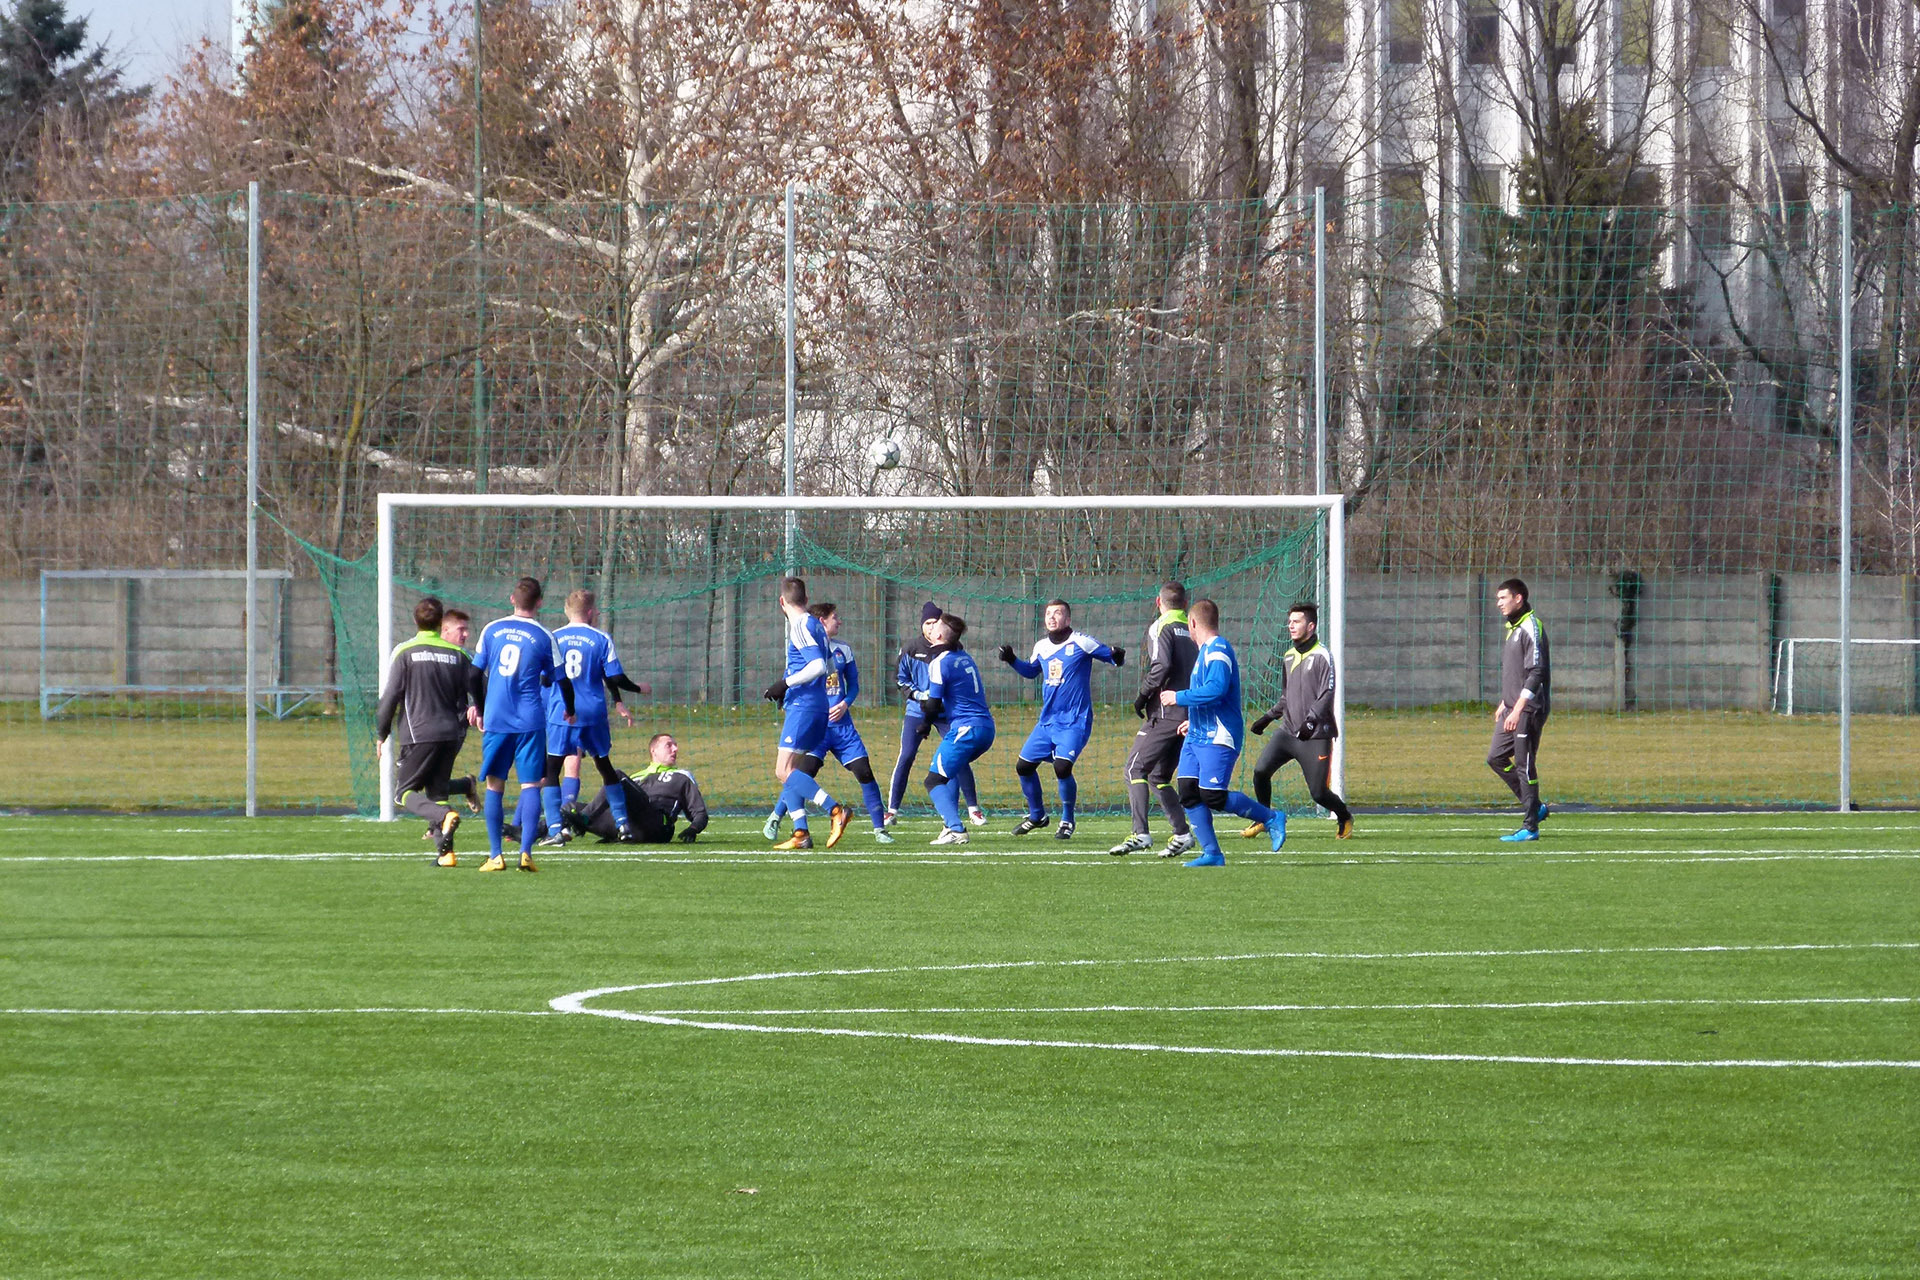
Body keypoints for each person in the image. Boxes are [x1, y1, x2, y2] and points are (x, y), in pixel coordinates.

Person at [1159, 598, 1286, 867]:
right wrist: (1193, 721)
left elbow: (1216, 690)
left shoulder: (1218, 649)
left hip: (1218, 734)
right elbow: (1207, 696)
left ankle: (1271, 817)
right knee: (1188, 792)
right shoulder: (1204, 652)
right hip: (1198, 734)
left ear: (1193, 623)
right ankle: (1212, 854)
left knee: (1213, 795)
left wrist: (1177, 697)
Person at [471, 576, 574, 872]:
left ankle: (495, 855)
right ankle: (526, 854)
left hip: (497, 719)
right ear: (539, 603)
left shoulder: (492, 629)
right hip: (530, 720)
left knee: (495, 785)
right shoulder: (544, 636)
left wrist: (480, 708)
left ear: (512, 599)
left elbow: (473, 675)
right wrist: (570, 709)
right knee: (531, 785)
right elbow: (561, 679)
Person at [998, 599, 1123, 839]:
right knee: (1023, 766)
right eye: (1048, 614)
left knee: (1062, 767)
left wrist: (1118, 655)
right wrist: (1012, 659)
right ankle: (1037, 816)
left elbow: (1113, 658)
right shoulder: (1041, 646)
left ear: (1068, 619)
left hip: (1075, 720)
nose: (1052, 617)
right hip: (1048, 722)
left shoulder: (1081, 642)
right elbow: (1031, 671)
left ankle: (1067, 820)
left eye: (1057, 613)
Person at [536, 589, 651, 847]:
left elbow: (545, 679)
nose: (598, 613)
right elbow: (615, 676)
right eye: (596, 610)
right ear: (589, 612)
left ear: (567, 611)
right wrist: (637, 689)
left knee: (552, 769)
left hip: (562, 712)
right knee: (605, 766)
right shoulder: (601, 638)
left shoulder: (553, 637)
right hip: (593, 713)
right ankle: (623, 825)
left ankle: (556, 829)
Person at [374, 596, 479, 866]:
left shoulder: (405, 652)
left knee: (403, 793)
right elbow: (480, 686)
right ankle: (446, 854)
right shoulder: (458, 655)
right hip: (451, 734)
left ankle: (443, 817)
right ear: (440, 622)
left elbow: (391, 697)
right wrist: (479, 708)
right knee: (438, 792)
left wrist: (381, 733)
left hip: (418, 734)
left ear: (415, 620)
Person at [1241, 601, 1354, 840]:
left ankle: (1344, 816)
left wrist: (1311, 722)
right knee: (1260, 771)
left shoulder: (1322, 655)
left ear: (1311, 626)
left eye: (1296, 621)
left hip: (1315, 735)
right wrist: (1267, 718)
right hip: (1288, 732)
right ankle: (1264, 818)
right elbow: (1286, 696)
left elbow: (1327, 694)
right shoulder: (1289, 656)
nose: (1290, 626)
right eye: (1290, 621)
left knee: (1318, 793)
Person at [761, 576, 852, 851]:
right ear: (807, 599)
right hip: (816, 704)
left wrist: (785, 684)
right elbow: (826, 666)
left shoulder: (800, 624)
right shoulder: (816, 625)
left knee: (783, 770)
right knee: (792, 772)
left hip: (806, 706)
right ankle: (800, 832)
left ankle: (835, 810)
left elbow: (817, 667)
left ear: (782, 601)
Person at [1109, 581, 1198, 858]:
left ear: (1159, 602)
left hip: (1166, 713)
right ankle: (1182, 834)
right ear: (1185, 604)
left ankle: (1140, 833)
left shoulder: (1161, 626)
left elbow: (1162, 665)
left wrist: (1143, 695)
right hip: (1189, 714)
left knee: (1134, 769)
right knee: (1159, 777)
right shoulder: (1193, 628)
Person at [795, 601, 892, 843]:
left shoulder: (843, 650)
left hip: (843, 728)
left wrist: (845, 703)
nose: (839, 621)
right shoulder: (805, 650)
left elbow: (854, 685)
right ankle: (780, 818)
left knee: (865, 772)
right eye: (835, 617)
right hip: (816, 727)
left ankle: (880, 830)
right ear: (822, 621)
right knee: (800, 774)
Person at [887, 601, 986, 828]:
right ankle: (892, 809)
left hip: (945, 714)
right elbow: (900, 679)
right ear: (922, 626)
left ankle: (971, 809)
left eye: (935, 623)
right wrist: (919, 696)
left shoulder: (952, 650)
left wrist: (935, 701)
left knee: (956, 758)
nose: (932, 628)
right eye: (928, 623)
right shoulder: (911, 648)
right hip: (917, 711)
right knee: (906, 755)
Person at [915, 612, 996, 844]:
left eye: (935, 626)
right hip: (986, 728)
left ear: (940, 636)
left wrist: (924, 724)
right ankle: (948, 825)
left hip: (966, 729)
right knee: (948, 773)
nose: (931, 628)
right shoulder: (964, 656)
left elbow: (933, 703)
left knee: (932, 780)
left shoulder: (940, 662)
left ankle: (956, 829)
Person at [1489, 577, 1551, 841]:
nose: (1499, 603)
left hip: (1528, 709)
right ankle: (1535, 806)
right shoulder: (1513, 628)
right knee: (1496, 758)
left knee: (1525, 765)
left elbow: (1536, 672)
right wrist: (1506, 702)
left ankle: (1530, 827)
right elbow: (1517, 672)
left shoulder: (1531, 627)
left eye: (1503, 598)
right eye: (1498, 599)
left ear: (1518, 598)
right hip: (1512, 707)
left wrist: (1518, 709)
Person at [571, 733, 709, 844]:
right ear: (654, 750)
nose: (675, 749)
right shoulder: (636, 777)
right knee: (570, 807)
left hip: (656, 826)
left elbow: (699, 812)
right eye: (669, 745)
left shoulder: (682, 776)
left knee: (616, 776)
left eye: (675, 746)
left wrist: (693, 829)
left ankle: (584, 819)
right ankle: (559, 833)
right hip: (631, 826)